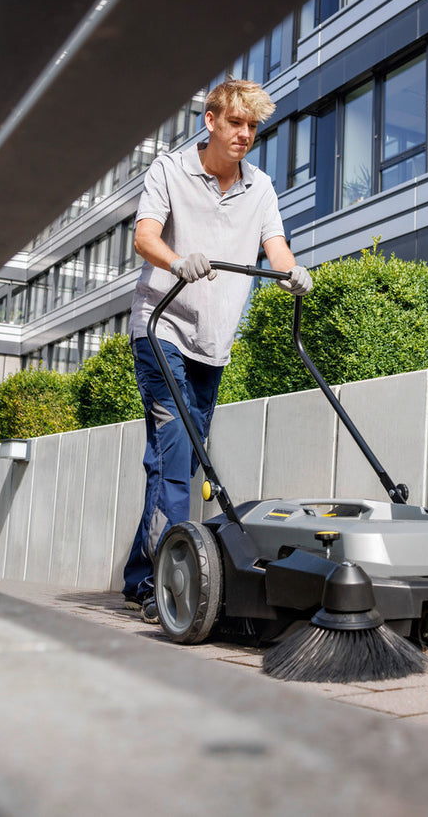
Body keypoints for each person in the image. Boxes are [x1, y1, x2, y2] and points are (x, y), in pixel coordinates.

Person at [121, 79, 312, 622]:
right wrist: (176, 260)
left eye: (253, 127)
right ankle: (165, 584)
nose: (246, 135)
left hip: (213, 345)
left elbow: (275, 248)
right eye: (236, 123)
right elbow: (145, 237)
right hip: (161, 329)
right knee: (178, 455)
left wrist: (290, 274)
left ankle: (142, 576)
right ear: (210, 122)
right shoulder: (169, 170)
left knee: (176, 457)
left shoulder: (261, 188)